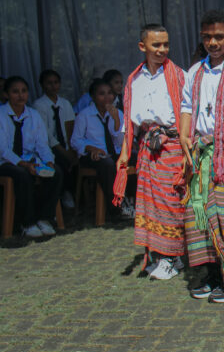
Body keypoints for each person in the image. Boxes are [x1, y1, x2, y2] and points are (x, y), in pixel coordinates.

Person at [180, 9, 224, 303]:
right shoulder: (194, 72)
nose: (213, 42)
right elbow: (187, 107)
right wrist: (185, 137)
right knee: (199, 214)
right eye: (208, 37)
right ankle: (211, 275)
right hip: (199, 151)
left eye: (219, 36)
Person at [115, 24, 187, 281]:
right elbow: (129, 123)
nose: (162, 50)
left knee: (171, 203)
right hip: (147, 147)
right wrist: (124, 154)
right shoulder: (135, 79)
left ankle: (173, 257)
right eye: (156, 45)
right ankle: (159, 254)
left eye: (166, 44)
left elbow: (187, 115)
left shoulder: (179, 76)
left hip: (171, 146)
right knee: (150, 205)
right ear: (142, 46)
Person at [0, 76, 63, 238]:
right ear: (6, 94)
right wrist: (23, 164)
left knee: (55, 172)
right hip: (6, 161)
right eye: (15, 92)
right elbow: (3, 149)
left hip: (30, 160)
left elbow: (42, 144)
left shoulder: (33, 115)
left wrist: (49, 161)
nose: (20, 96)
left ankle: (44, 218)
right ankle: (26, 222)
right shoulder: (1, 115)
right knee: (23, 175)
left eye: (24, 91)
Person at [71, 78, 129, 220]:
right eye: (101, 94)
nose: (107, 97)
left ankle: (133, 202)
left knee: (136, 158)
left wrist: (116, 121)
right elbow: (75, 141)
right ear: (93, 97)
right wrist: (91, 148)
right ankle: (115, 209)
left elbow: (121, 142)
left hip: (113, 152)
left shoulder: (118, 113)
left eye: (110, 93)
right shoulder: (85, 115)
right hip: (92, 154)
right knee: (107, 164)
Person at [32, 69, 76, 209]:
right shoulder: (39, 105)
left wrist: (71, 149)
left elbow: (70, 127)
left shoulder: (65, 103)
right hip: (50, 146)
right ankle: (64, 193)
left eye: (56, 82)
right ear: (42, 85)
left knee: (77, 158)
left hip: (66, 144)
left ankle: (72, 192)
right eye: (49, 83)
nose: (53, 86)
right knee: (60, 160)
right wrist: (63, 151)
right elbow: (46, 134)